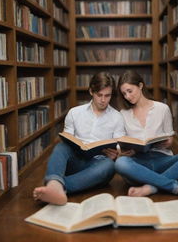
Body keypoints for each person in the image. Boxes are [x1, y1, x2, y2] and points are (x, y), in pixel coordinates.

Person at [115, 70, 178, 197]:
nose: (127, 96)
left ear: (141, 85)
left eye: (130, 91)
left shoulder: (162, 108)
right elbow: (120, 141)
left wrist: (168, 142)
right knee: (121, 163)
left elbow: (170, 138)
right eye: (124, 93)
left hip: (163, 160)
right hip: (138, 164)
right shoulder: (123, 114)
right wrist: (123, 151)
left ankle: (150, 187)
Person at [33, 72, 125, 205]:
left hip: (97, 165)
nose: (103, 100)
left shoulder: (117, 117)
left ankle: (55, 187)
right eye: (99, 95)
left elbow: (118, 145)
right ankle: (55, 186)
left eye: (107, 95)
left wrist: (116, 153)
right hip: (75, 162)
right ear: (91, 92)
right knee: (61, 147)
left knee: (110, 166)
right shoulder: (75, 113)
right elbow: (67, 138)